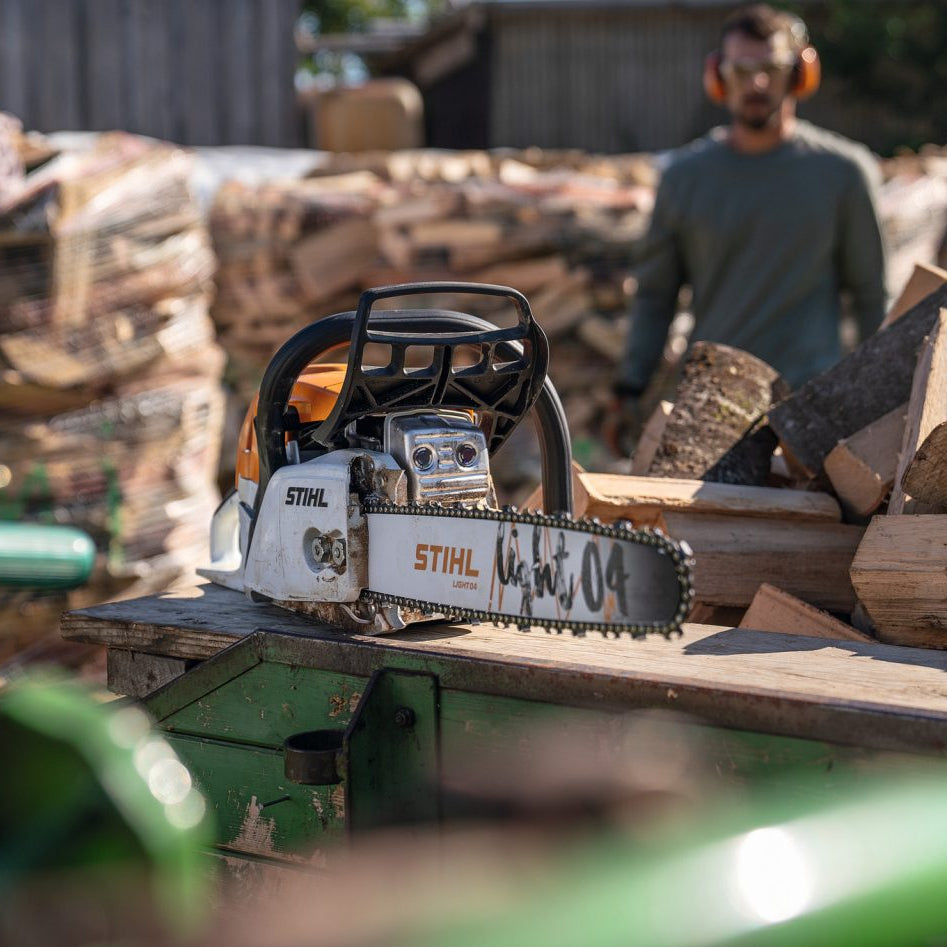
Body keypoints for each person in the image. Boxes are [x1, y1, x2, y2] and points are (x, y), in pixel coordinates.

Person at [610, 3, 886, 450]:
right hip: (711, 409)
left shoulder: (843, 173)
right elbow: (656, 295)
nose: (756, 83)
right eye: (741, 70)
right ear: (719, 76)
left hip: (809, 411)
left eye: (770, 69)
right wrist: (630, 385)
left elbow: (872, 295)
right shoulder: (685, 178)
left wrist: (880, 402)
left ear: (799, 74)